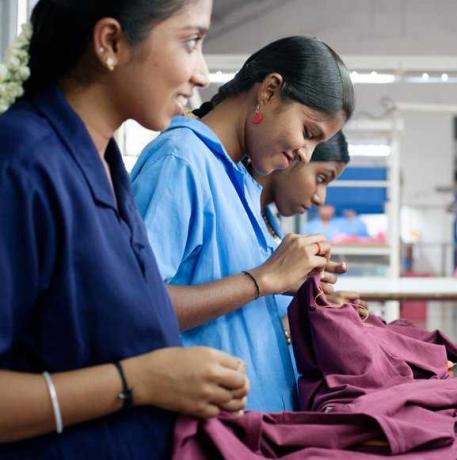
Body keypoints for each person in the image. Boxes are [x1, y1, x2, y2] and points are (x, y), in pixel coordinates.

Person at [0, 1, 250, 458]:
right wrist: (140, 382)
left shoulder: (106, 168)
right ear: (111, 43)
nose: (202, 74)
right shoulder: (21, 165)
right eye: (190, 42)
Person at [130, 36, 355, 411]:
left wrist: (301, 293)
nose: (305, 154)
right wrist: (262, 279)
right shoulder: (181, 161)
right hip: (205, 434)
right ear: (269, 91)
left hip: (253, 431)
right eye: (308, 132)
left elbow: (228, 299)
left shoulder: (240, 182)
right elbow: (134, 308)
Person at [248, 131, 369, 351]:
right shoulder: (233, 214)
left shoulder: (270, 224)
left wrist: (320, 308)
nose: (320, 198)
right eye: (321, 178)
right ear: (295, 155)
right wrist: (293, 324)